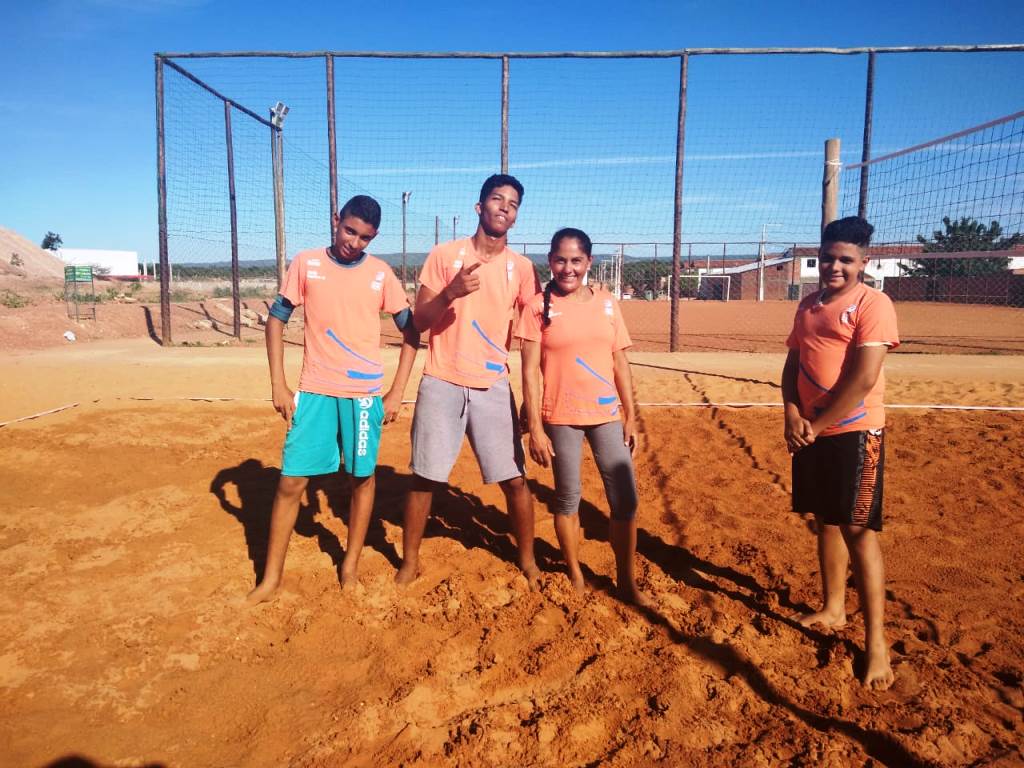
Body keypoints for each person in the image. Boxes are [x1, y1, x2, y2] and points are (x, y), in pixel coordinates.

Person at [247, 195, 420, 604]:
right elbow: (276, 320)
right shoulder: (306, 264)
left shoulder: (381, 274)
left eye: (365, 237)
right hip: (316, 392)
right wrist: (278, 384)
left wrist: (396, 391)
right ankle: (271, 578)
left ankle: (350, 566)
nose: (354, 243)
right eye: (349, 231)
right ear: (336, 220)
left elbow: (412, 330)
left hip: (363, 397)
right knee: (291, 482)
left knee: (362, 478)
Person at [394, 174, 541, 587]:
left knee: (514, 479)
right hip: (442, 378)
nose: (504, 208)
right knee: (424, 476)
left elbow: (534, 331)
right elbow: (419, 322)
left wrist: (532, 398)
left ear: (516, 216)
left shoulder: (523, 269)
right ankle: (410, 561)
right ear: (480, 207)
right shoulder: (444, 255)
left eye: (513, 204)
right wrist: (450, 293)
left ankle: (527, 559)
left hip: (492, 383)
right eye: (497, 199)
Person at [782, 215, 899, 689]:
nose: (835, 266)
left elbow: (864, 378)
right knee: (825, 520)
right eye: (828, 257)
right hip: (812, 430)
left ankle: (877, 647)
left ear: (863, 262)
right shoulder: (809, 306)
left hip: (856, 431)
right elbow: (792, 365)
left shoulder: (874, 303)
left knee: (858, 530)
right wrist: (791, 412)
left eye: (846, 260)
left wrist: (818, 426)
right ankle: (834, 607)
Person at [515, 228, 651, 606]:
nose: (567, 268)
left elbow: (620, 363)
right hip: (560, 416)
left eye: (576, 261)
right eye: (560, 259)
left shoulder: (607, 304)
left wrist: (630, 416)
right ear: (550, 260)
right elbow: (529, 372)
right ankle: (575, 574)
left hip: (607, 414)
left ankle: (626, 580)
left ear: (589, 263)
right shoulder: (536, 307)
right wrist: (536, 429)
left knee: (624, 501)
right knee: (567, 499)